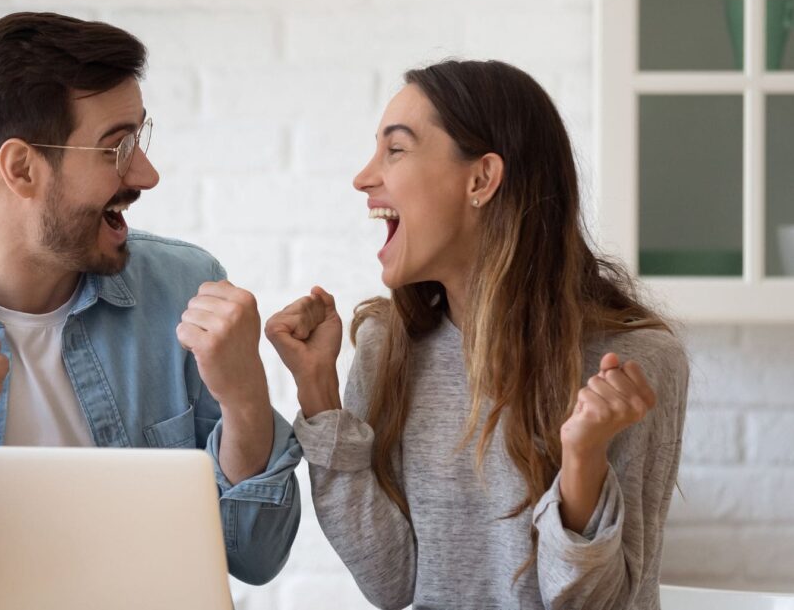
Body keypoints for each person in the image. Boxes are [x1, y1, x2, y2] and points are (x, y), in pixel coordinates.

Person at [0, 12, 301, 610]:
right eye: (116, 147)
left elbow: (256, 556)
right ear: (21, 169)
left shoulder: (185, 290)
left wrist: (246, 400)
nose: (145, 172)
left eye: (139, 140)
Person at [264, 60, 688, 609]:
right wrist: (318, 390)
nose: (364, 177)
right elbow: (391, 583)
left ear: (481, 179)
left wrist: (583, 460)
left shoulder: (634, 364)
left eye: (395, 150)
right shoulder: (388, 346)